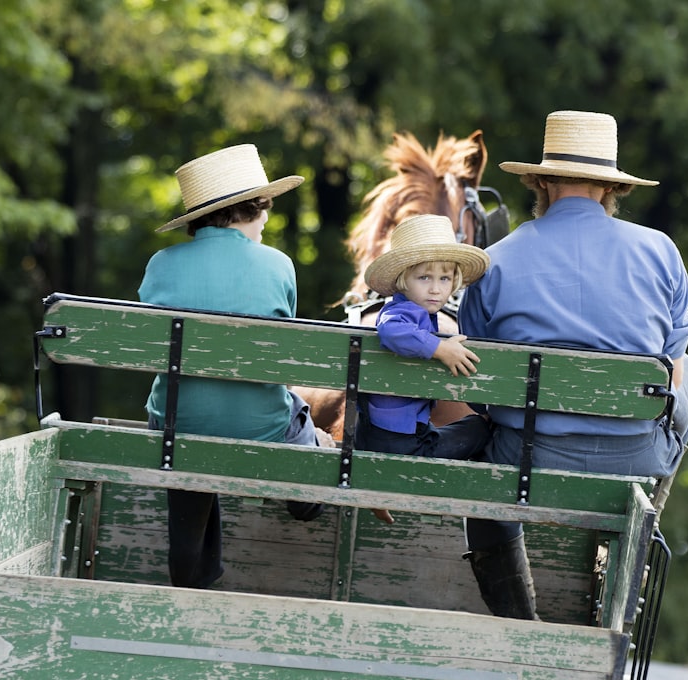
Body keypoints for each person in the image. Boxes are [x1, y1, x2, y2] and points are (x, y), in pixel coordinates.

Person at [457, 110, 688, 620]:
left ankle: (519, 620)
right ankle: (647, 509)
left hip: (527, 460)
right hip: (634, 457)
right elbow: (673, 364)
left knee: (485, 452)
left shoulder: (495, 259)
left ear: (540, 181)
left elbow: (477, 380)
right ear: (612, 188)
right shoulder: (661, 251)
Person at [139, 143, 326, 589]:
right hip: (261, 427)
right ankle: (308, 496)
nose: (266, 221)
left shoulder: (161, 264)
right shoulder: (278, 265)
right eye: (264, 210)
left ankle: (193, 573)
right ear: (253, 209)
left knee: (191, 431)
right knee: (295, 415)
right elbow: (281, 354)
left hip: (176, 427)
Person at [356, 214, 491, 462]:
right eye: (424, 277)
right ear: (402, 280)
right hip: (399, 443)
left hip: (392, 435)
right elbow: (391, 330)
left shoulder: (417, 312)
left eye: (444, 278)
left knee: (474, 425)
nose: (435, 289)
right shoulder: (403, 312)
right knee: (482, 429)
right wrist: (439, 348)